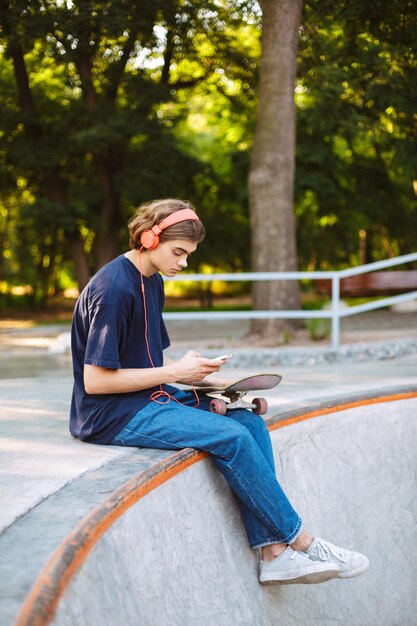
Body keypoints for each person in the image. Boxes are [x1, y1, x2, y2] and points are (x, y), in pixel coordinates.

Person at [70, 198, 369, 585]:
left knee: (249, 423)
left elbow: (147, 365)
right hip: (108, 416)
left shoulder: (152, 281)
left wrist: (201, 379)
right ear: (149, 238)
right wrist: (177, 371)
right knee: (231, 437)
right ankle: (303, 541)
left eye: (189, 255)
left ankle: (273, 554)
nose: (183, 262)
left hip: (146, 398)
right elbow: (95, 381)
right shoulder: (113, 290)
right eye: (178, 252)